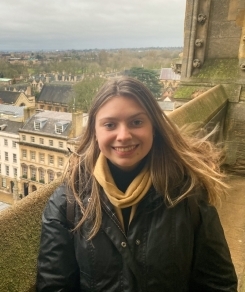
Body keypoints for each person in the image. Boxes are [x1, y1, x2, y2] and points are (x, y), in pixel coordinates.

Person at [36, 77, 237, 291]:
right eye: (110, 125)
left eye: (136, 122)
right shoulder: (68, 202)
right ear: (95, 132)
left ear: (154, 127)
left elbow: (217, 283)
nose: (123, 135)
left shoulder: (188, 194)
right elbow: (54, 286)